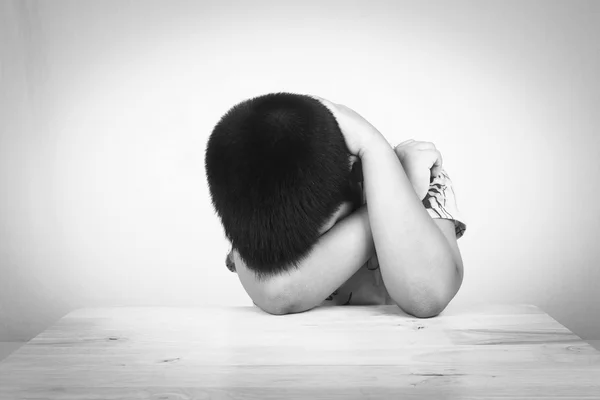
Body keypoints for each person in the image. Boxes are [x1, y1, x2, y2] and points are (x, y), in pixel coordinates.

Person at [205, 92, 466, 317]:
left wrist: (376, 149)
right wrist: (398, 191)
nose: (298, 242)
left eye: (316, 231)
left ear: (355, 175)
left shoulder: (422, 172)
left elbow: (427, 295)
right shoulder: (258, 193)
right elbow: (277, 293)